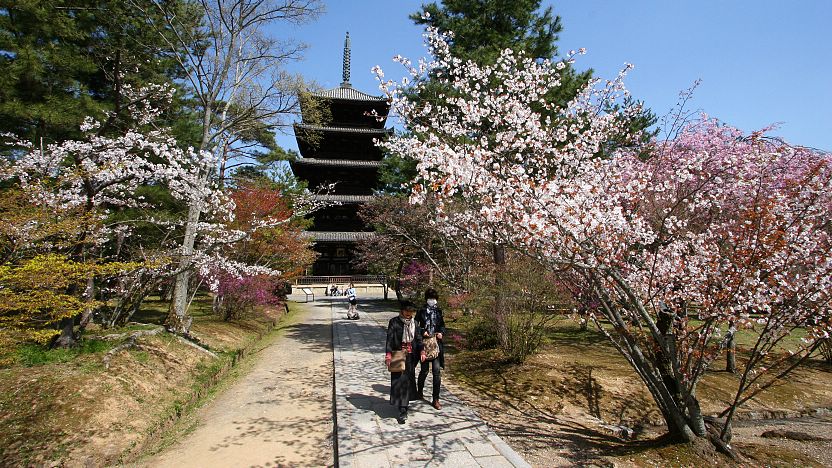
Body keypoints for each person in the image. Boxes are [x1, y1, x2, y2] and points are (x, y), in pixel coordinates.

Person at [385, 300, 425, 424]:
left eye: (411, 311)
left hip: (411, 356)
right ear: (402, 310)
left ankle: (404, 405)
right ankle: (402, 409)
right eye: (407, 310)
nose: (409, 313)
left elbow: (418, 339)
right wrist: (388, 354)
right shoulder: (394, 322)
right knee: (399, 380)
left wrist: (422, 351)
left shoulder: (415, 323)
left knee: (408, 380)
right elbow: (390, 339)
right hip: (398, 354)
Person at [417, 288, 446, 410]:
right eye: (430, 298)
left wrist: (441, 333)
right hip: (424, 345)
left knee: (436, 372)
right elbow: (415, 325)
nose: (432, 301)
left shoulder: (438, 311)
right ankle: (419, 391)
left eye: (434, 299)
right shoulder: (421, 311)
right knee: (424, 371)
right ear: (426, 299)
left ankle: (436, 399)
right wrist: (422, 332)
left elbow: (443, 325)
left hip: (436, 345)